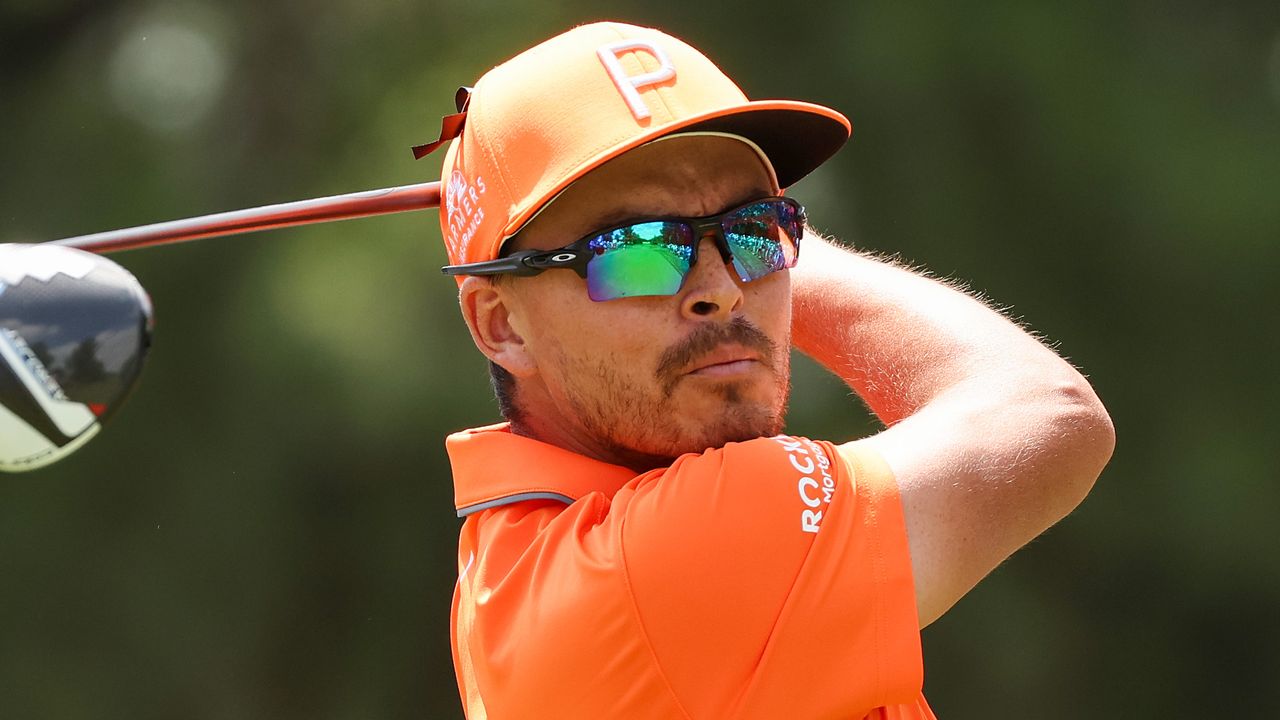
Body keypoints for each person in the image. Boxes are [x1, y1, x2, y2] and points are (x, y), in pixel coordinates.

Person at [420, 21, 1115, 720]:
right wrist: (755, 238)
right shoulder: (670, 561)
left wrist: (722, 238)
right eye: (637, 249)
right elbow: (1048, 413)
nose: (719, 289)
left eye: (754, 229)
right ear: (500, 325)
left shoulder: (512, 559)